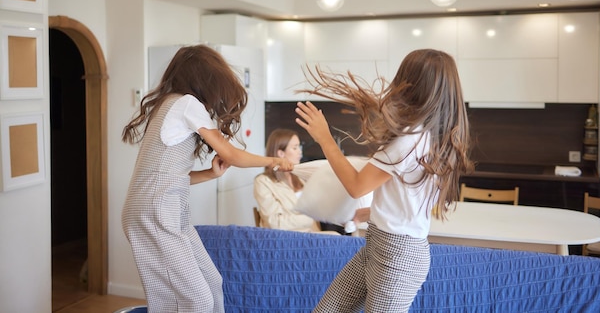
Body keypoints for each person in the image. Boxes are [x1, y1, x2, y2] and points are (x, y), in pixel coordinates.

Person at [295, 49, 473, 313]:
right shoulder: (432, 137)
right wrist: (373, 212)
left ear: (411, 85)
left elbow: (357, 186)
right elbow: (411, 196)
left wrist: (325, 138)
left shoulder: (410, 140)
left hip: (397, 256)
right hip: (383, 245)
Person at [121, 45, 293, 313]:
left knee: (213, 282)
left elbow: (168, 177)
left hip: (164, 209)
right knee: (194, 301)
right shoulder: (185, 103)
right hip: (155, 211)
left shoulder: (172, 104)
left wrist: (210, 174)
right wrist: (274, 161)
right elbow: (232, 154)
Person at [253, 128, 322, 232]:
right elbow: (276, 222)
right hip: (285, 240)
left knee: (339, 238)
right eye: (295, 148)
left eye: (299, 147)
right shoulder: (263, 182)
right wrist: (310, 218)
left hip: (311, 235)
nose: (300, 152)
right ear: (281, 153)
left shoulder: (300, 178)